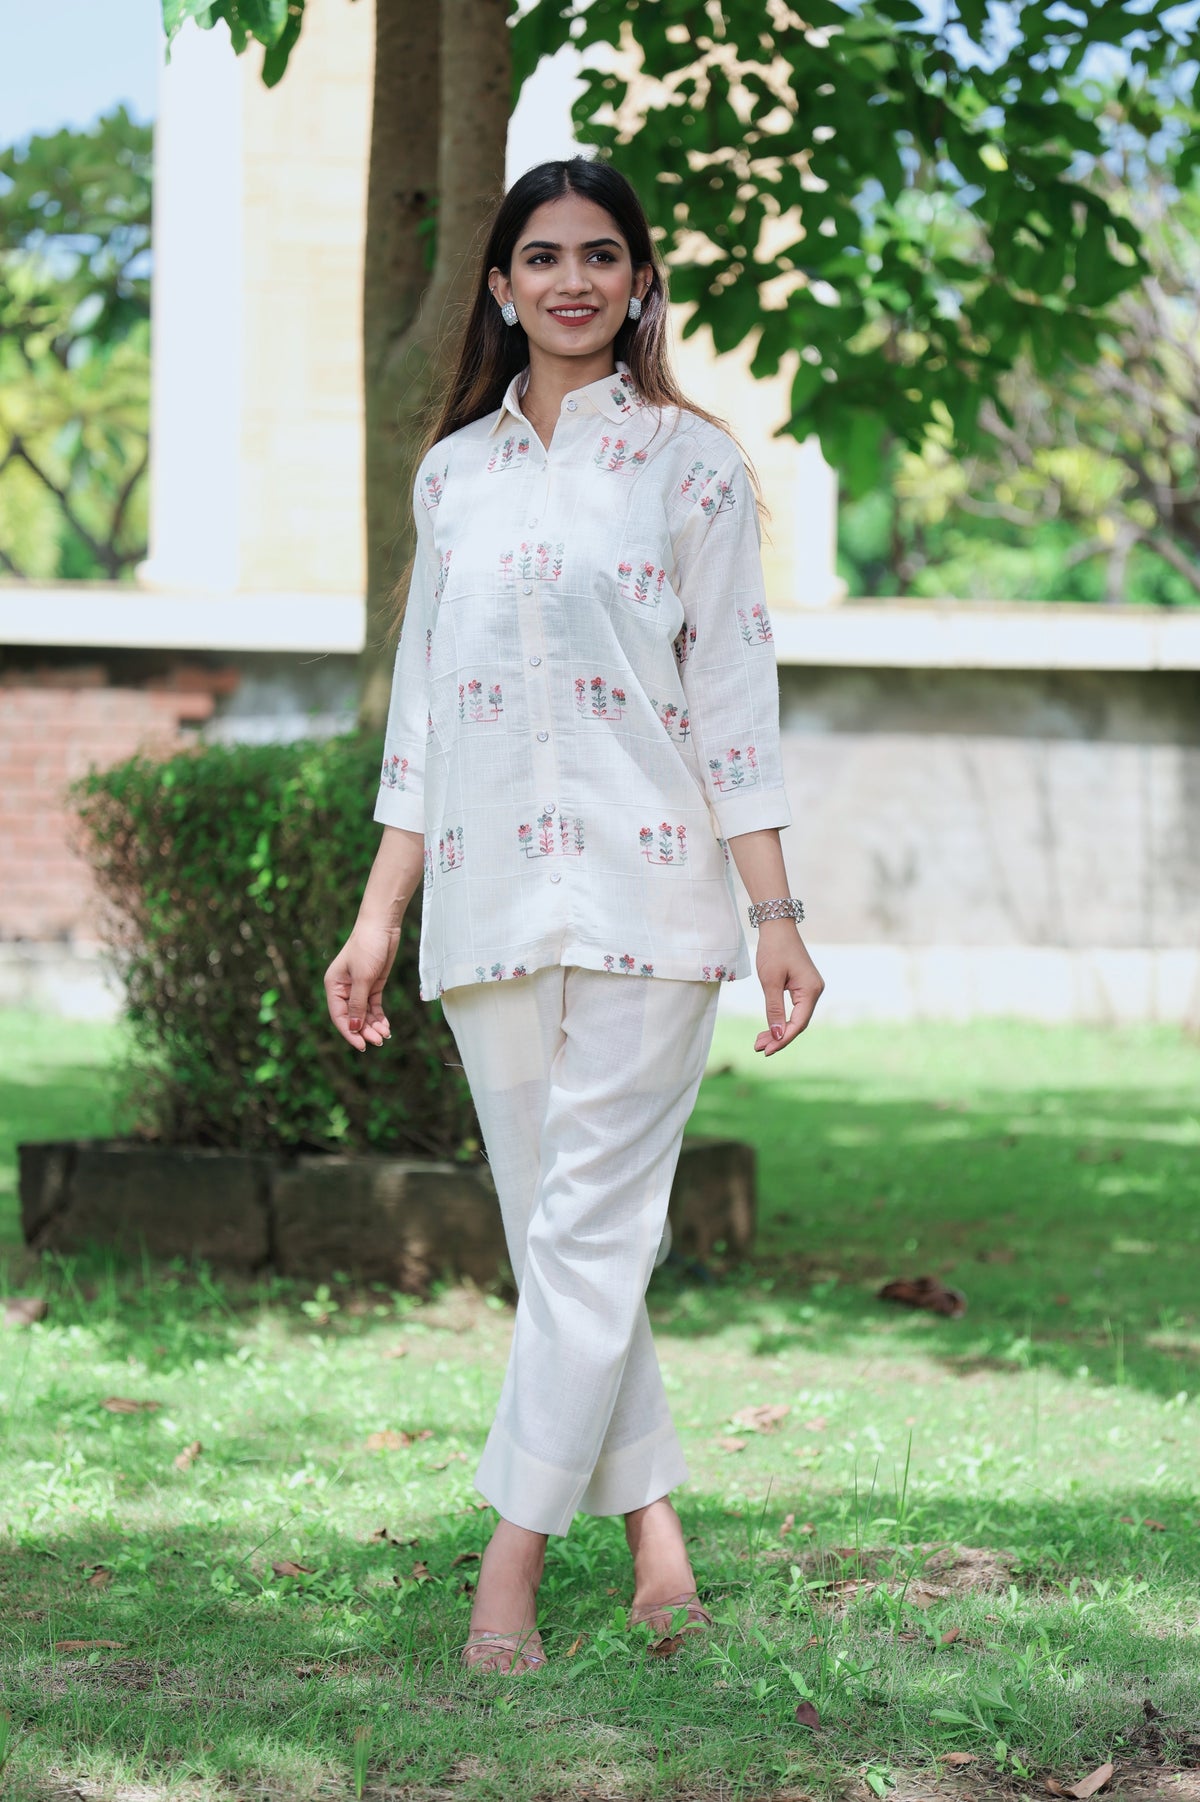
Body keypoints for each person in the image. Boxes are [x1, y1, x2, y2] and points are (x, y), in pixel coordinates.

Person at [324, 157, 824, 1675]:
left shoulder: (690, 468)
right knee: (569, 1251)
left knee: (593, 1233)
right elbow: (418, 711)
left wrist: (778, 911)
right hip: (483, 903)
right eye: (540, 256)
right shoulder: (451, 474)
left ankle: (508, 1568)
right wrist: (378, 913)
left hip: (656, 893)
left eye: (601, 255)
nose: (571, 280)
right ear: (499, 285)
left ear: (641, 282)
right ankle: (657, 1539)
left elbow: (735, 698)